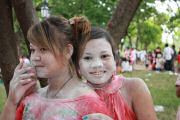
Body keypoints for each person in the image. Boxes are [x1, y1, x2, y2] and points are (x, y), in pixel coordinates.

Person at [1, 17, 111, 120]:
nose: (35, 57)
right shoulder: (32, 99)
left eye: (43, 49)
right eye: (33, 50)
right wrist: (11, 101)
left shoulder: (89, 104)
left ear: (67, 51)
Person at [74, 27, 157, 120]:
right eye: (87, 58)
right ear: (77, 64)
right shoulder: (74, 97)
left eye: (104, 56)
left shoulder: (135, 87)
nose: (97, 64)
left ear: (114, 59)